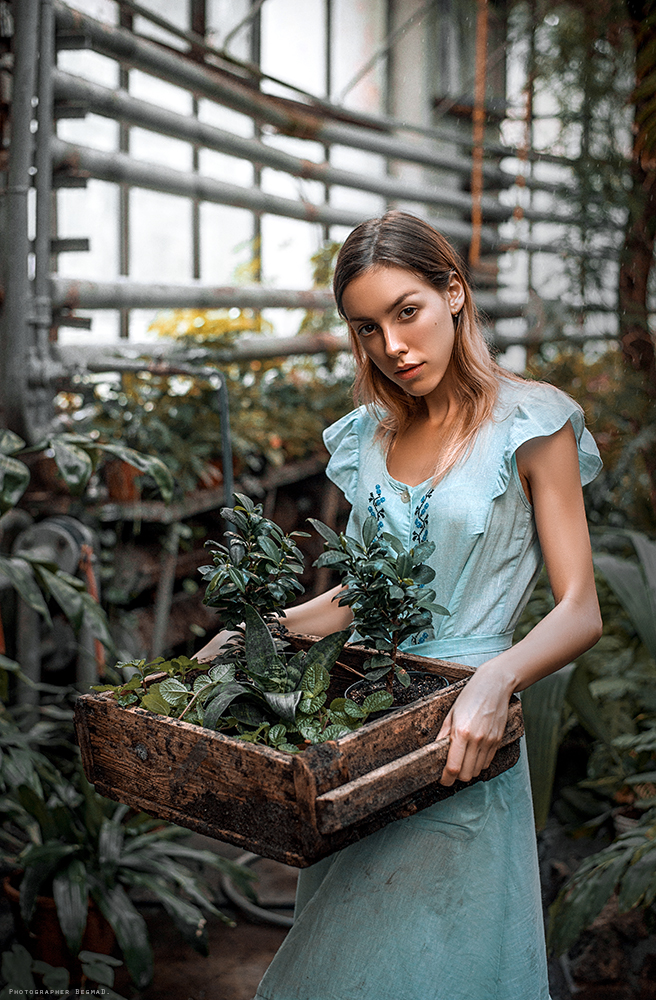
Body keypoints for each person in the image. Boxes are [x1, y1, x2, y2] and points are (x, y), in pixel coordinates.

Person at [196, 211, 603, 1000]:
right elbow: (363, 596)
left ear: (453, 292)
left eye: (406, 312)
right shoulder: (372, 434)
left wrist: (495, 681)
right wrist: (257, 636)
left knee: (444, 956)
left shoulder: (532, 422)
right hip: (367, 725)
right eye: (367, 328)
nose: (392, 347)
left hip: (463, 736)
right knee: (346, 955)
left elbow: (580, 607)